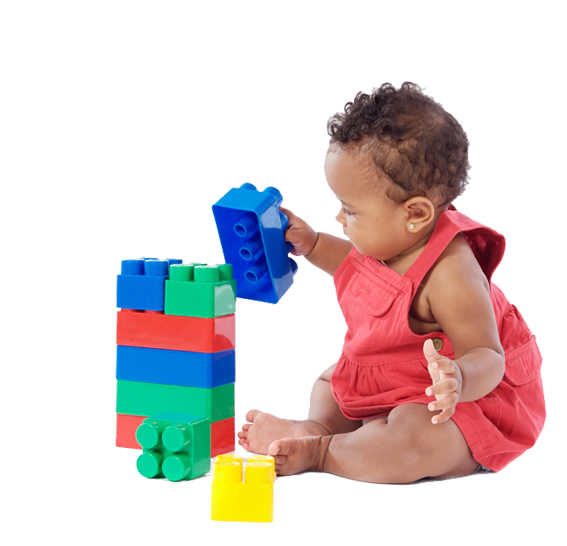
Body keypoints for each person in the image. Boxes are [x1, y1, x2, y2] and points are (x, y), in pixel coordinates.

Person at [237, 82, 546, 484]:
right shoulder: (393, 235)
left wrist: (460, 379)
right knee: (331, 383)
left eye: (350, 210)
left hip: (461, 400)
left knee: (414, 442)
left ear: (414, 213)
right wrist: (311, 242)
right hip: (395, 377)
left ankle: (323, 450)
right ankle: (316, 427)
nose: (341, 220)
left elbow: (487, 353)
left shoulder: (452, 273)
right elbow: (353, 261)